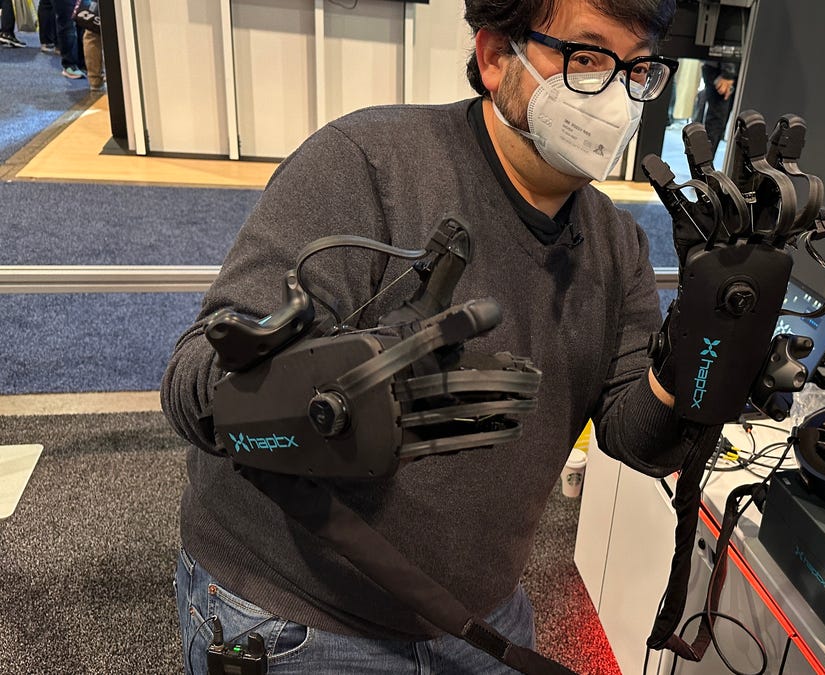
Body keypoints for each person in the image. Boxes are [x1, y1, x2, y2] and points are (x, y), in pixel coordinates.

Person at [161, 0, 721, 672]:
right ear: (493, 56)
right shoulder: (366, 165)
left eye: (636, 70)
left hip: (478, 617)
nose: (615, 98)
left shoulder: (615, 243)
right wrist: (324, 388)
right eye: (588, 58)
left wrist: (710, 335)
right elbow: (192, 386)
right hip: (297, 614)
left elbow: (636, 436)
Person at [697, 59, 738, 152]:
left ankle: (705, 163)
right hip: (721, 69)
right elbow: (730, 45)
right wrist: (728, 72)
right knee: (715, 124)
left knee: (718, 124)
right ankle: (702, 164)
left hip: (729, 69)